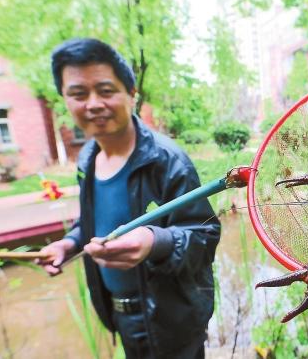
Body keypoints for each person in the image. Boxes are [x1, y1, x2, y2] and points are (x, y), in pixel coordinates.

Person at [37, 38, 221, 359]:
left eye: (106, 90)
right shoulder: (87, 161)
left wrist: (155, 242)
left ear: (131, 94)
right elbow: (93, 222)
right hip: (120, 317)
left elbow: (205, 236)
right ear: (65, 100)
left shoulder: (167, 160)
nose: (93, 103)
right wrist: (68, 243)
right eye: (79, 94)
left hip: (173, 321)